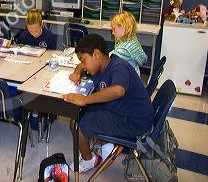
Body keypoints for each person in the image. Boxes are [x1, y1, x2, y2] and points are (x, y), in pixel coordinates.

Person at [62, 34, 154, 172]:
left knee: (79, 125)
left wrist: (85, 100)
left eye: (83, 60)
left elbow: (118, 90)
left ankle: (89, 161)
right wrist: (77, 72)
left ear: (96, 54)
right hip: (124, 112)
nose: (83, 65)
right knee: (80, 116)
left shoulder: (119, 67)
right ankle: (107, 148)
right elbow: (82, 67)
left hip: (134, 122)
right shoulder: (102, 65)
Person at [70, 11, 147, 84]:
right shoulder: (132, 39)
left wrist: (80, 68)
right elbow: (143, 59)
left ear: (124, 28)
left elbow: (107, 63)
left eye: (114, 29)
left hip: (126, 81)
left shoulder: (124, 50)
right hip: (134, 76)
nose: (112, 32)